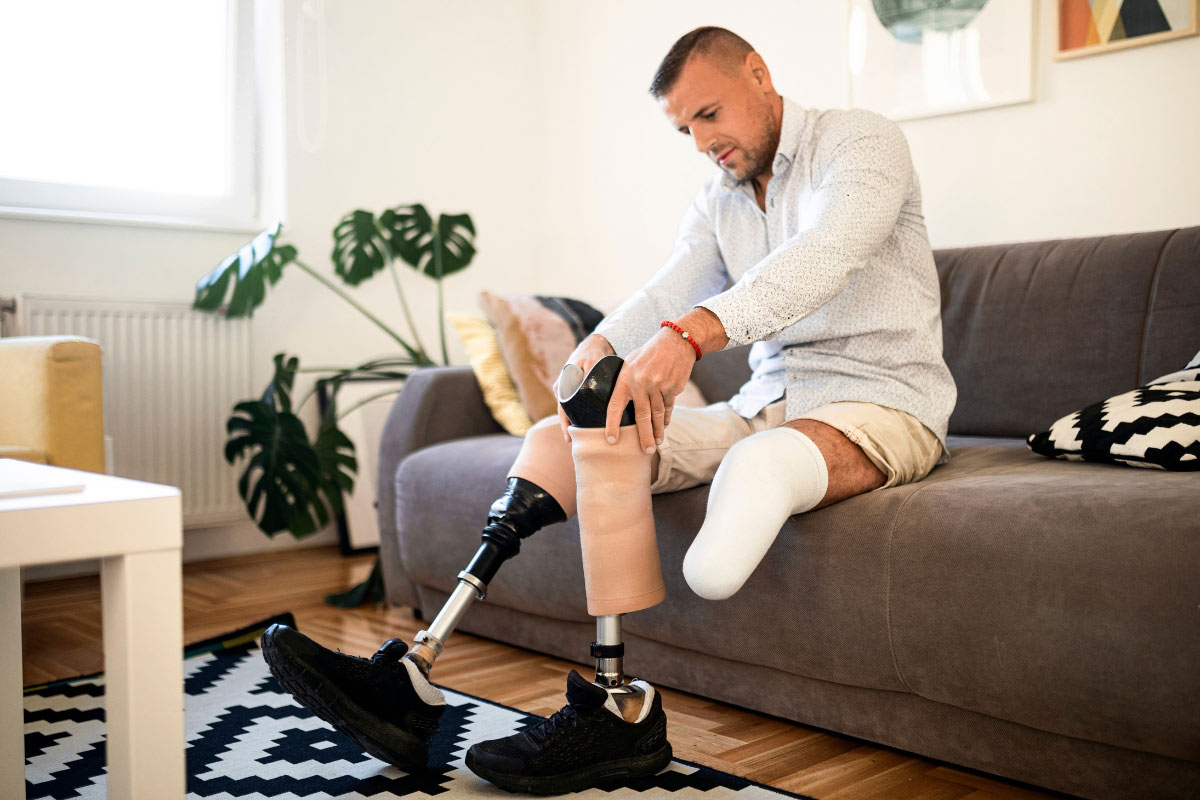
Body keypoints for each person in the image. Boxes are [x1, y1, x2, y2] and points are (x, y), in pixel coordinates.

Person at [262, 25, 956, 795]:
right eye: (685, 128)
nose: (701, 141)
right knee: (569, 438)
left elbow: (830, 248)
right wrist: (591, 350)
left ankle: (617, 704)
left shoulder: (860, 142)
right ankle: (448, 678)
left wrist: (692, 335)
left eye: (709, 114)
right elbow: (667, 288)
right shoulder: (719, 195)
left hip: (881, 399)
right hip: (764, 402)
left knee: (760, 470)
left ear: (759, 75)